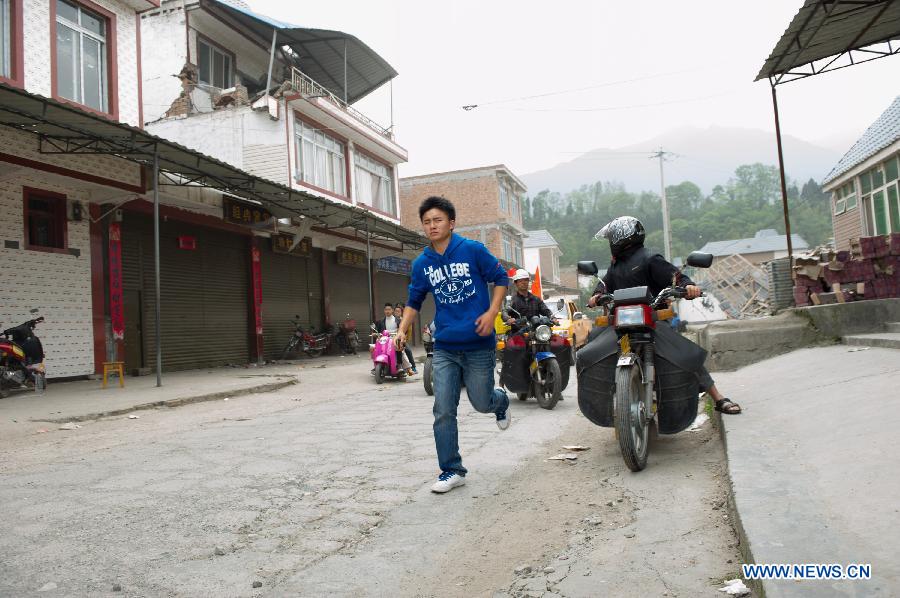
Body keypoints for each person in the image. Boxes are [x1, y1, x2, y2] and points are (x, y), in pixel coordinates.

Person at [395, 196, 511, 494]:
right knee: (443, 408)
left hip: (478, 344)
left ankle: (500, 401)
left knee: (480, 402)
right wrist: (402, 330)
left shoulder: (472, 250)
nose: (432, 226)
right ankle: (451, 469)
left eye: (437, 220)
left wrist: (491, 313)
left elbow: (500, 278)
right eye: (426, 222)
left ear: (451, 223)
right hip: (445, 346)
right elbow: (413, 301)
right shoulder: (423, 263)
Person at [586, 216, 741, 414]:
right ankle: (602, 399)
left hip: (653, 319)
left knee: (683, 352)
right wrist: (596, 296)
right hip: (622, 324)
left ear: (622, 237)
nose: (611, 242)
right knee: (591, 346)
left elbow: (676, 277)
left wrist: (688, 286)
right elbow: (602, 286)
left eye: (612, 238)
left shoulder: (650, 258)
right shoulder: (615, 267)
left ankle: (718, 398)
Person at [373, 302, 413, 376]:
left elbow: (404, 330)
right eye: (386, 309)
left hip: (395, 339)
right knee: (374, 348)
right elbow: (377, 331)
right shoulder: (380, 322)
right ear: (384, 311)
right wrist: (375, 334)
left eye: (389, 309)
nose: (387, 311)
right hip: (384, 340)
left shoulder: (398, 320)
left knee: (398, 347)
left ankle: (399, 365)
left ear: (392, 310)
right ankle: (376, 364)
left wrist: (400, 333)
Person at [394, 303, 417, 374]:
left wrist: (404, 339)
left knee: (407, 350)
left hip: (401, 339)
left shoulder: (403, 321)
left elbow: (408, 331)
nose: (397, 313)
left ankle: (412, 367)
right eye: (396, 311)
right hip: (391, 339)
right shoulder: (392, 319)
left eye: (399, 311)